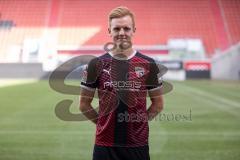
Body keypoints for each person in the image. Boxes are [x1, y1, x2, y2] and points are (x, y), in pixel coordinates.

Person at [80, 6, 164, 160]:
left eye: (126, 28)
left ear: (133, 30)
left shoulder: (148, 64)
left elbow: (158, 104)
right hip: (105, 146)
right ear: (109, 31)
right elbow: (84, 104)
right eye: (116, 28)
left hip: (137, 145)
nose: (121, 33)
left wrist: (139, 124)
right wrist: (102, 124)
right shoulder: (96, 64)